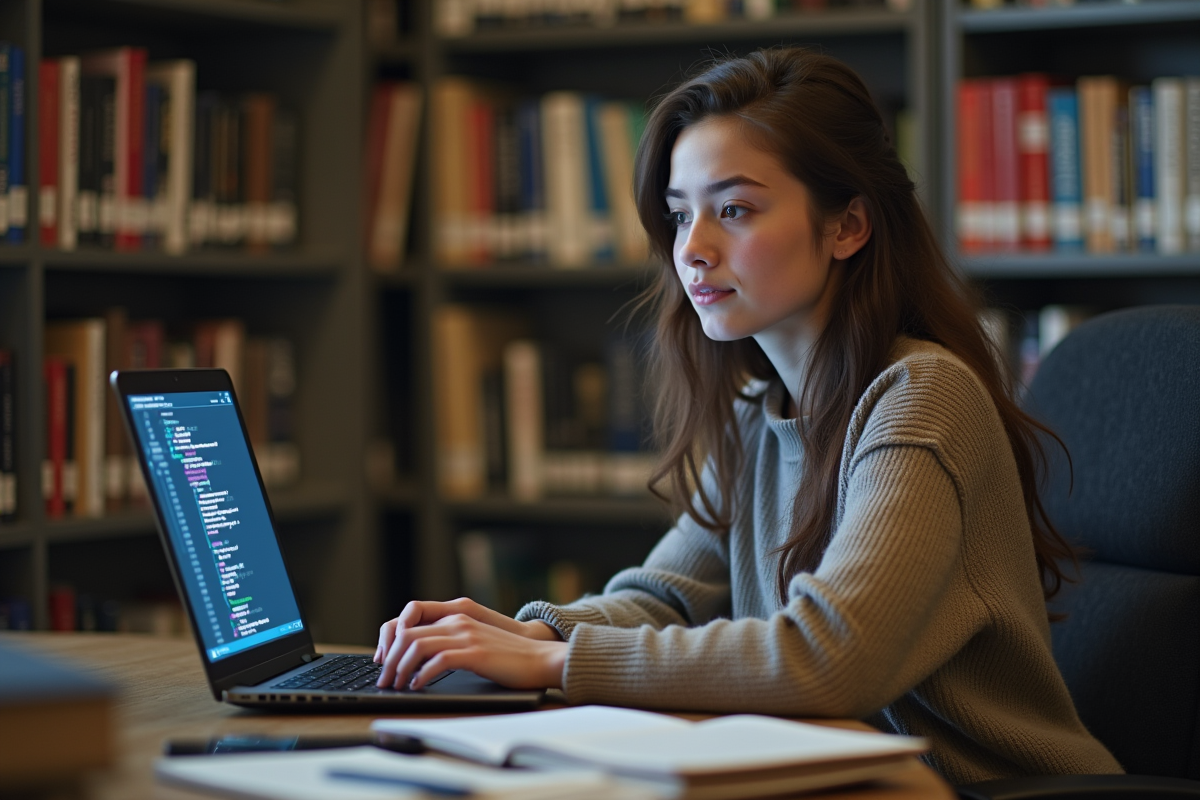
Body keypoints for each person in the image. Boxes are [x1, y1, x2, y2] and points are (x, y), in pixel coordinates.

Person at [374, 47, 1122, 785]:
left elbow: (831, 659)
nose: (691, 250)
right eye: (679, 214)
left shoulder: (922, 397)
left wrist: (554, 663)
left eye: (733, 210)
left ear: (847, 227)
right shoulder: (757, 413)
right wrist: (522, 632)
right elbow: (664, 598)